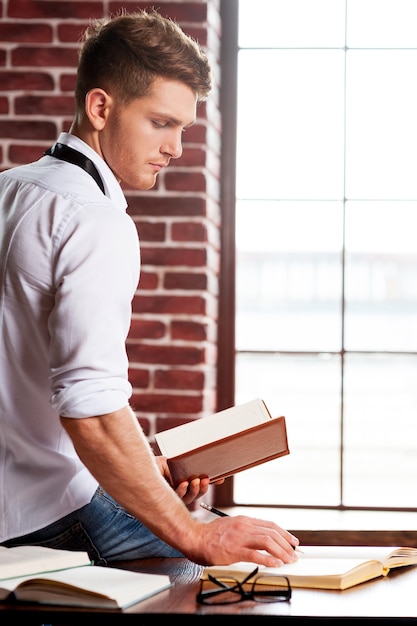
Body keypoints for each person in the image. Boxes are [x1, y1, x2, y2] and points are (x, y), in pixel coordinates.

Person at [0, 9, 299, 567]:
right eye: (161, 123)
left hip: (15, 502)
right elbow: (88, 408)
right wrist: (197, 536)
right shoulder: (97, 219)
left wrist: (141, 463)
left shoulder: (10, 191)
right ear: (99, 107)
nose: (177, 148)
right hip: (52, 515)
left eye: (183, 128)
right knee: (244, 567)